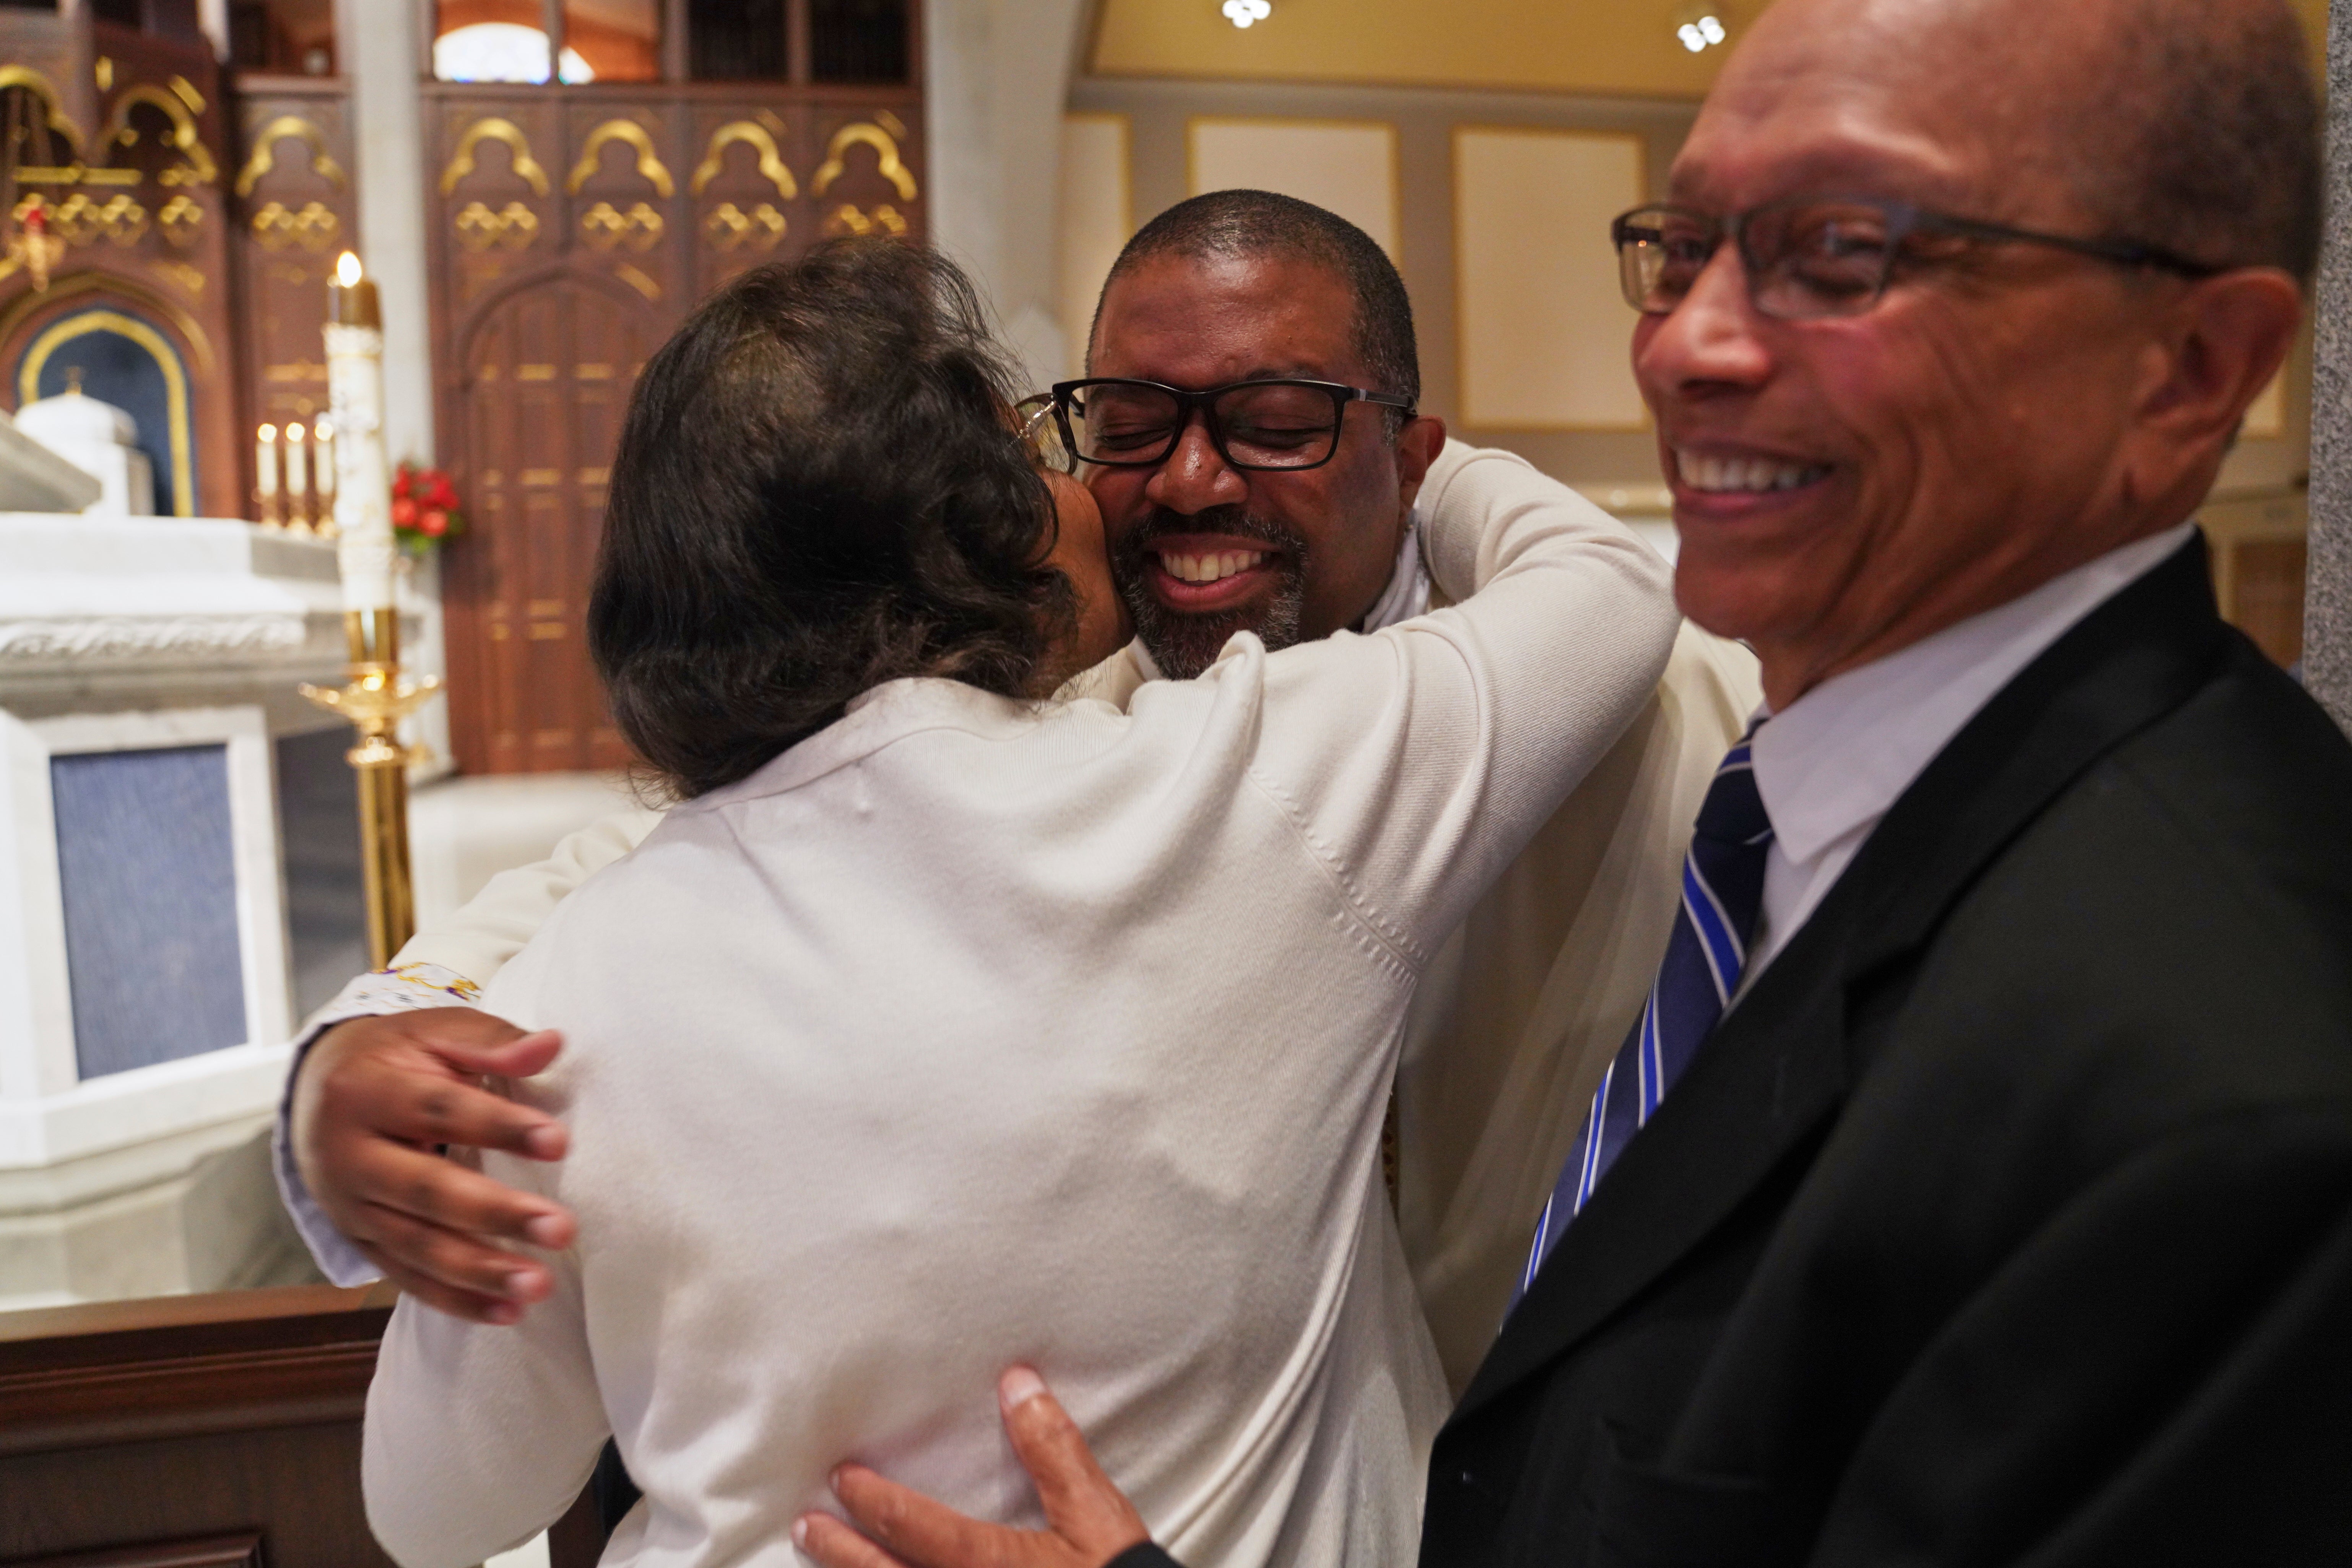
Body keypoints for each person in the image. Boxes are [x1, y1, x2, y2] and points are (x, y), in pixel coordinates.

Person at [790, 0, 2352, 1563]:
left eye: (1838, 254)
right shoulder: (1805, 818)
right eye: (1682, 249)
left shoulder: (2234, 1088)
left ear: (2185, 368)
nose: (1682, 346)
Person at [276, 194, 1759, 1388]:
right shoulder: (1054, 698)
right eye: (1127, 420)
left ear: (1408, 448)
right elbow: (688, 851)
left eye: (1275, 418)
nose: (1185, 480)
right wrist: (363, 1048)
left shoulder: (1638, 713)